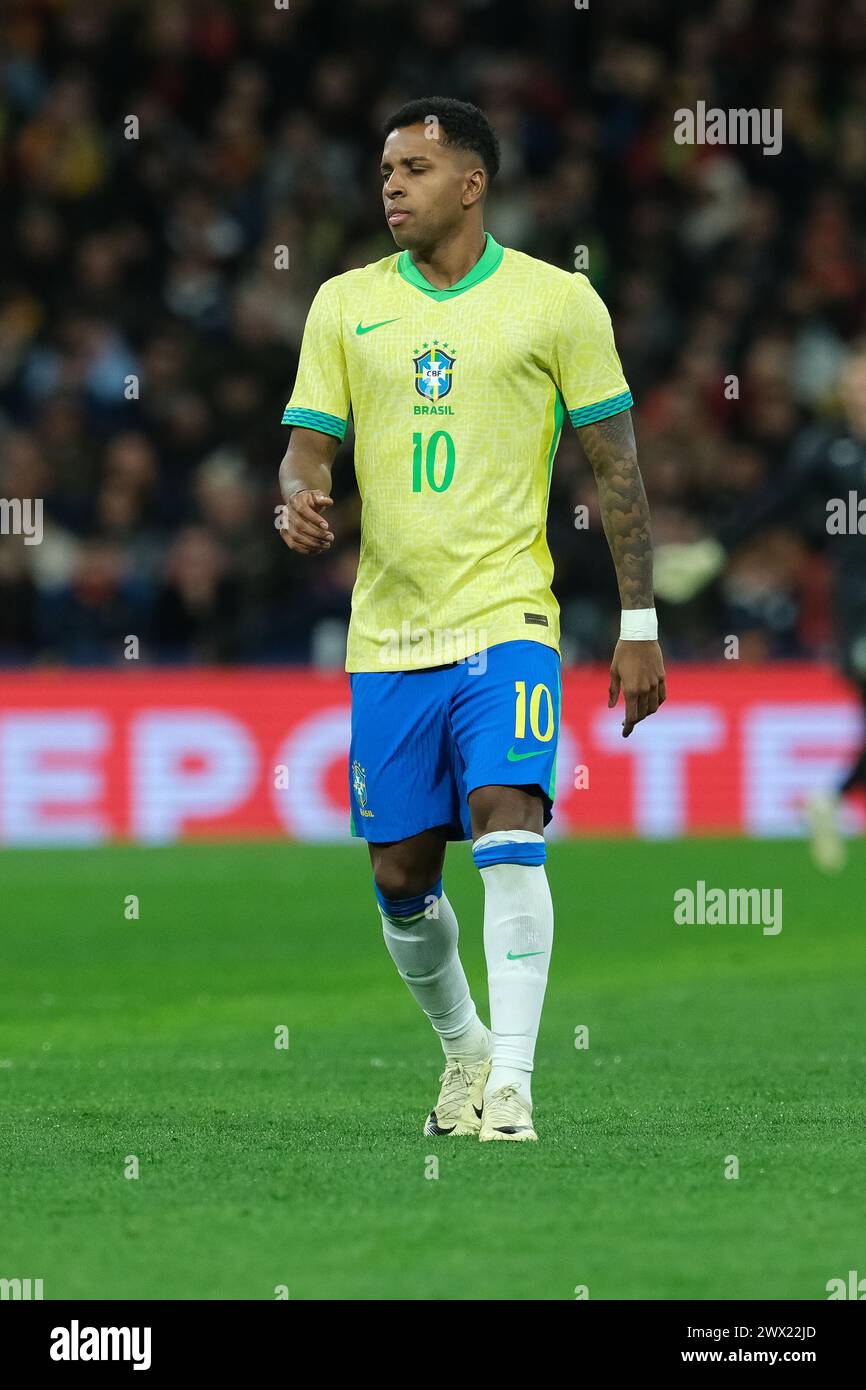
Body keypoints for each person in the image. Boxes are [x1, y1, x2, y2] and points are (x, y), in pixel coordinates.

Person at [278, 98, 665, 1142]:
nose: (390, 185)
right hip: (388, 632)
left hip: (507, 615)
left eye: (411, 166)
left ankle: (514, 1085)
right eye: (383, 169)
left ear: (470, 182)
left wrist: (638, 619)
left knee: (508, 822)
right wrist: (298, 491)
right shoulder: (344, 305)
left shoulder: (556, 301)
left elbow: (615, 467)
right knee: (401, 877)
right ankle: (463, 1048)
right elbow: (307, 440)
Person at [654, 350, 866, 871]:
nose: (860, 392)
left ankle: (833, 797)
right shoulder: (828, 449)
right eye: (855, 382)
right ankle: (834, 796)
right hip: (858, 608)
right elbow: (772, 502)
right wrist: (714, 552)